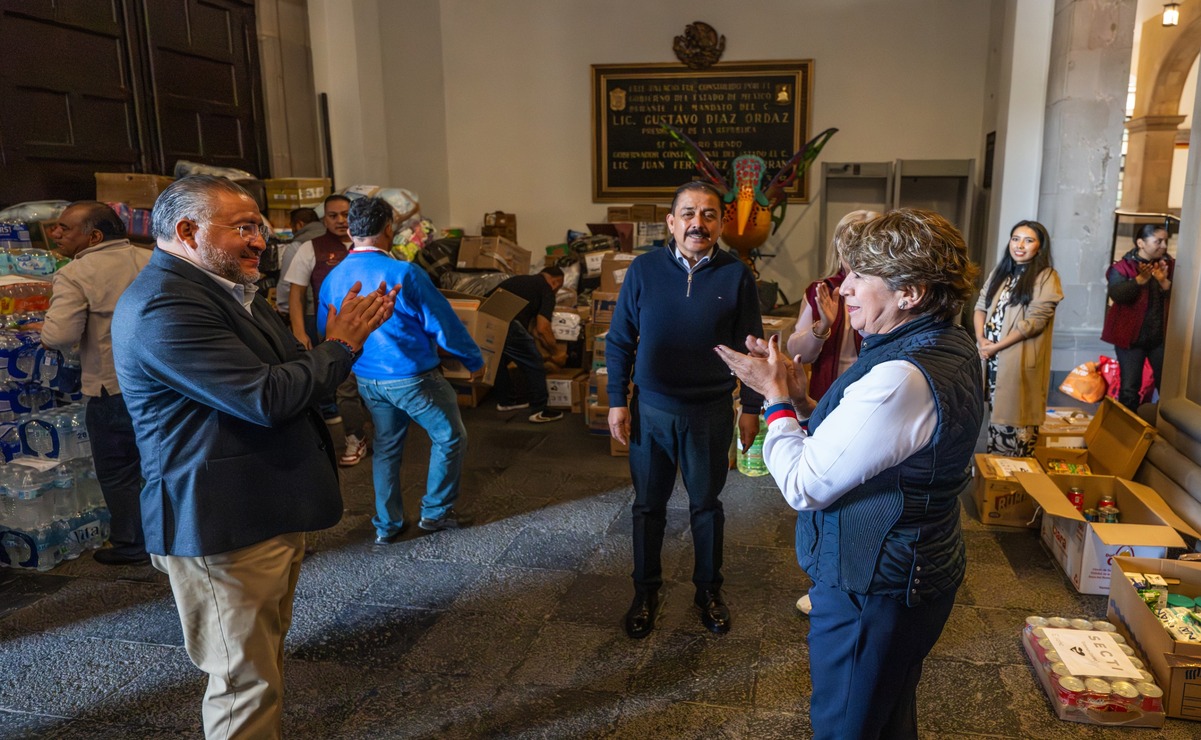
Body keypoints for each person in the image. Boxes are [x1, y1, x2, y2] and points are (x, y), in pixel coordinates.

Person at [112, 175, 395, 739]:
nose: (259, 240)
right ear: (188, 231)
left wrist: (324, 355)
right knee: (243, 683)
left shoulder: (226, 289)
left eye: (259, 227)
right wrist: (341, 346)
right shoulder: (164, 307)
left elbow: (294, 365)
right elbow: (267, 396)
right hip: (221, 521)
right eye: (243, 228)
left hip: (261, 506)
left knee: (261, 665)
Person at [717, 208, 982, 740]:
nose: (847, 287)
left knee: (845, 727)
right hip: (913, 573)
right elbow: (878, 443)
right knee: (884, 718)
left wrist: (773, 402)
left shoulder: (901, 376)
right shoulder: (944, 344)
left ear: (911, 292)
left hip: (874, 585)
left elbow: (805, 483)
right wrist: (800, 398)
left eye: (862, 276)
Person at [606, 181, 763, 639]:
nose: (699, 223)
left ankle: (708, 591)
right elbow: (619, 340)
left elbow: (751, 348)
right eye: (689, 214)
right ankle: (645, 591)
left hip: (710, 411)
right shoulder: (643, 270)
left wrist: (750, 408)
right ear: (671, 223)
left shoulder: (737, 275)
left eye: (710, 215)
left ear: (720, 224)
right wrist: (617, 400)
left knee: (706, 507)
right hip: (651, 409)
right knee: (647, 507)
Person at [317, 196, 483, 544]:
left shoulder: (334, 277)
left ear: (350, 229)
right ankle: (436, 513)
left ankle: (387, 525)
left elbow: (327, 332)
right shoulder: (404, 272)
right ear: (388, 229)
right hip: (412, 377)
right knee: (450, 437)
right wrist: (473, 361)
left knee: (387, 447)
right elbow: (443, 323)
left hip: (367, 377)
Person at [42, 201, 152, 566]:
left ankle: (132, 545)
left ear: (94, 236)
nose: (56, 234)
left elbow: (60, 334)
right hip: (164, 383)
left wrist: (41, 333)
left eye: (64, 228)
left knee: (119, 471)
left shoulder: (77, 272)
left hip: (113, 386)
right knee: (161, 465)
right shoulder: (152, 259)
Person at [786, 208, 878, 616]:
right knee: (824, 493)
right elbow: (796, 351)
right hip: (825, 396)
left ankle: (856, 580)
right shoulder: (822, 289)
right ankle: (824, 583)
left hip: (872, 399)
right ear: (839, 247)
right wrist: (823, 325)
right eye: (850, 238)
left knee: (864, 494)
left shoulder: (886, 289)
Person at [281, 194, 371, 466]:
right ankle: (355, 438)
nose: (340, 220)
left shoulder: (368, 244)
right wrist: (299, 330)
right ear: (324, 219)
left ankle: (389, 438)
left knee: (376, 388)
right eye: (333, 215)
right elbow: (296, 294)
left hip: (376, 332)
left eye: (345, 214)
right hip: (336, 334)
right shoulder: (312, 248)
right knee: (345, 389)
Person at [973, 220, 1062, 456]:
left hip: (1015, 358)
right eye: (1015, 238)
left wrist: (995, 347)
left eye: (1028, 240)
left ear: (1039, 247)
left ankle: (1014, 480)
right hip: (990, 356)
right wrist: (981, 340)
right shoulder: (1002, 273)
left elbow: (1033, 323)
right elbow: (981, 306)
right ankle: (996, 472)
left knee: (1016, 416)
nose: (1019, 245)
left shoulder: (1046, 277)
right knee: (995, 413)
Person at [1101, 223, 1174, 411]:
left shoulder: (1169, 265)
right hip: (1131, 339)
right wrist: (1139, 281)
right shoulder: (1123, 267)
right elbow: (1117, 294)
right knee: (1129, 389)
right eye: (1158, 241)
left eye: (1165, 241)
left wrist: (1164, 282)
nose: (1164, 246)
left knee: (1167, 388)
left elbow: (1182, 299)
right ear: (1141, 243)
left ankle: (1162, 431)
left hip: (1160, 338)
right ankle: (1127, 435)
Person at [492, 266, 567, 423]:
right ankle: (540, 410)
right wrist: (556, 352)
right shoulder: (546, 289)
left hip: (487, 321)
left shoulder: (520, 281)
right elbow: (543, 327)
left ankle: (506, 401)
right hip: (510, 323)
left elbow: (533, 329)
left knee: (499, 358)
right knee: (534, 361)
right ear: (555, 282)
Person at [274, 206, 323, 326]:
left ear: (299, 225)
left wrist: (284, 310)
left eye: (292, 227)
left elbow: (286, 284)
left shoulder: (297, 246)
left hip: (309, 313)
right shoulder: (333, 241)